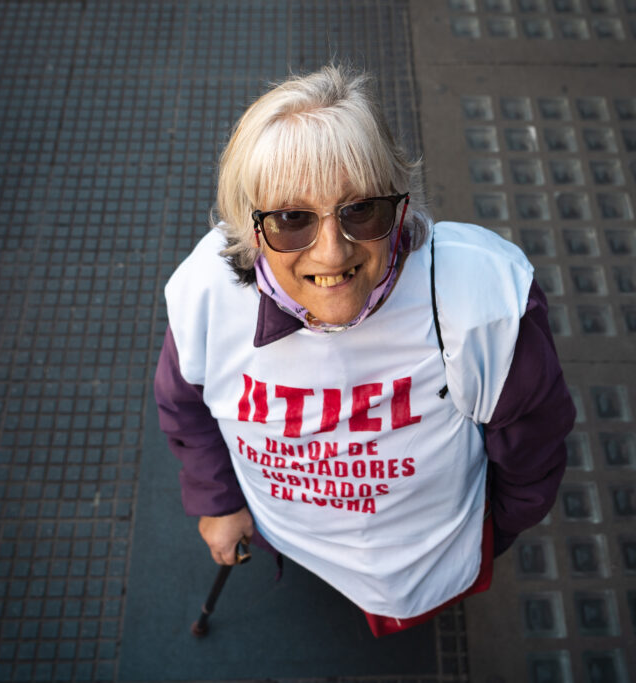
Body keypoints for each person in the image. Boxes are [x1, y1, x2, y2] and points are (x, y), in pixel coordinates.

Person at [154, 65, 575, 636]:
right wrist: (218, 501)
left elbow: (533, 449)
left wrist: (490, 533)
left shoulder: (478, 304)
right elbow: (185, 409)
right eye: (290, 219)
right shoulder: (207, 295)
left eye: (362, 211)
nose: (331, 253)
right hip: (288, 534)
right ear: (250, 228)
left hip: (425, 555)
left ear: (400, 207)